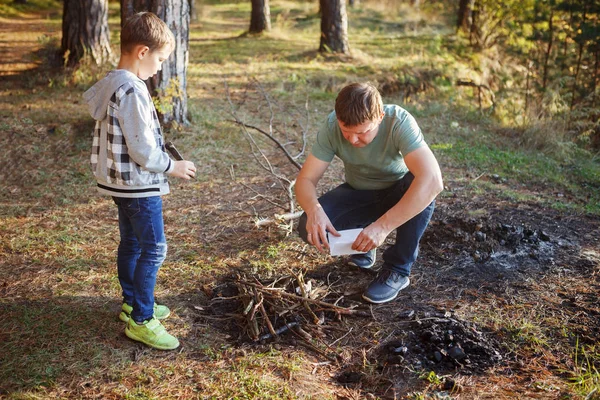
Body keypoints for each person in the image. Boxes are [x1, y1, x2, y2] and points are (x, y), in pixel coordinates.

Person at [83, 12, 196, 350]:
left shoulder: (112, 81)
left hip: (119, 182)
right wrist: (172, 166)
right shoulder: (132, 89)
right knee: (154, 247)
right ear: (142, 51)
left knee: (132, 243)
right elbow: (143, 148)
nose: (160, 68)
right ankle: (143, 319)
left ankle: (132, 302)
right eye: (159, 59)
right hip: (137, 184)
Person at [295, 82, 443, 304]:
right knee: (307, 223)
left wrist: (382, 227)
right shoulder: (331, 125)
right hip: (360, 192)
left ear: (380, 117)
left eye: (362, 133)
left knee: (421, 182)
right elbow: (305, 180)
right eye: (346, 132)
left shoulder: (398, 121)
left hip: (398, 192)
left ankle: (398, 270)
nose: (353, 140)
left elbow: (433, 181)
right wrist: (315, 210)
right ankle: (361, 243)